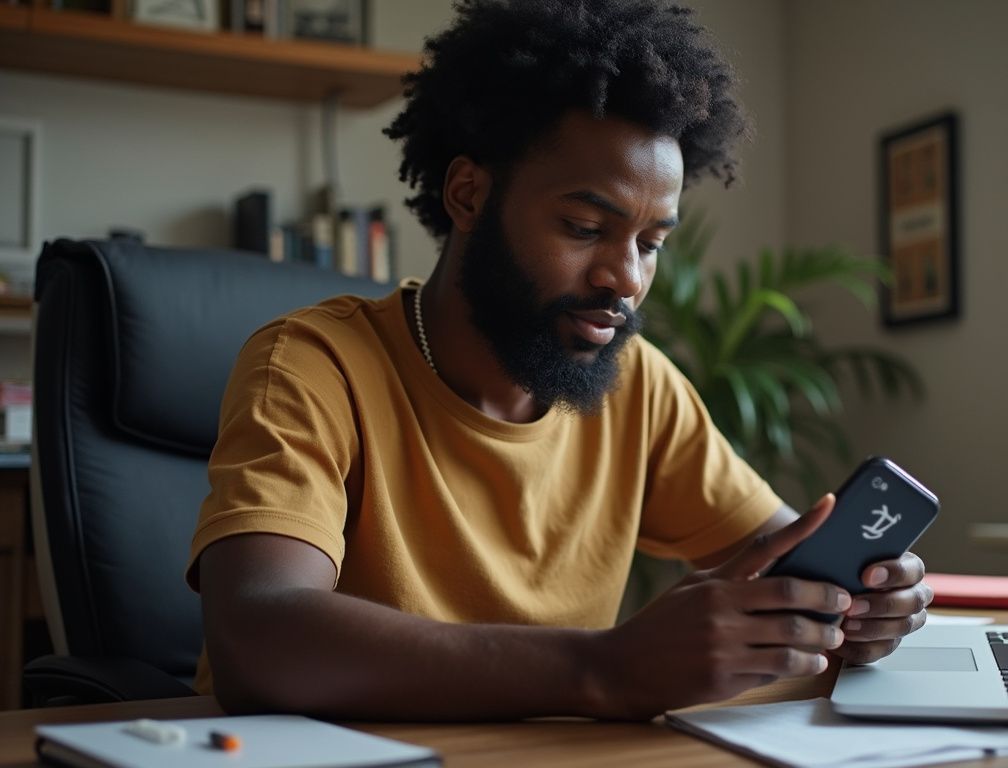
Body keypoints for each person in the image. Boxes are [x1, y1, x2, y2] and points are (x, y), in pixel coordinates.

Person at [189, 0, 931, 721]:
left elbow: (777, 557)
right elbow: (258, 638)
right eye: (584, 227)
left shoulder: (637, 386)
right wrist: (600, 671)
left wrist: (853, 610)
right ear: (468, 193)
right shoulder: (315, 365)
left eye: (650, 244)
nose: (626, 279)